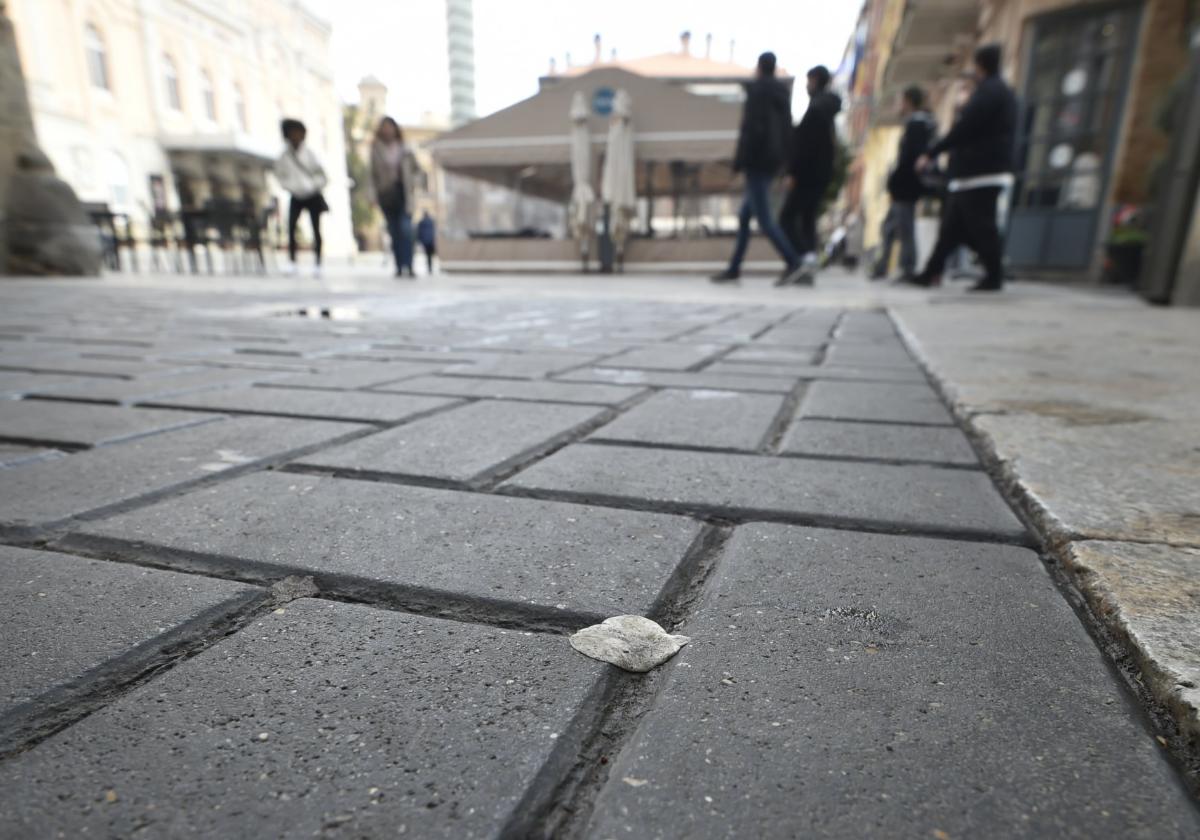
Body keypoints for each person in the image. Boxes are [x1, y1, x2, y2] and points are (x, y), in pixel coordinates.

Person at [912, 44, 1017, 292]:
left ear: (979, 65)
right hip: (979, 172)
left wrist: (931, 152)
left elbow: (963, 129)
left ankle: (994, 276)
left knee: (982, 228)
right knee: (951, 229)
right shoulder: (1003, 92)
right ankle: (930, 272)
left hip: (980, 172)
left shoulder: (989, 92)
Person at [711, 52, 808, 287]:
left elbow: (750, 130)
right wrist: (784, 163)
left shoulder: (758, 93)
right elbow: (787, 130)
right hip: (772, 161)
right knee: (745, 216)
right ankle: (734, 268)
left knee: (764, 219)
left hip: (756, 161)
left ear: (759, 68)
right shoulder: (781, 94)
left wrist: (740, 161)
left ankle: (794, 262)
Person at [778, 65, 842, 284]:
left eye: (808, 80)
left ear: (815, 80)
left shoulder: (816, 109)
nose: (806, 85)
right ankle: (807, 261)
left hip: (807, 174)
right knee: (807, 218)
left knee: (786, 218)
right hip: (821, 173)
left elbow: (804, 146)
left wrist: (792, 172)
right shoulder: (827, 108)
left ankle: (804, 259)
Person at [872, 85, 935, 282]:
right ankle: (882, 266)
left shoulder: (916, 124)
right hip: (906, 185)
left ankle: (908, 268)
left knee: (904, 227)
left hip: (906, 186)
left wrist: (896, 182)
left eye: (902, 100)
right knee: (889, 227)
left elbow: (911, 158)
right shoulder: (923, 123)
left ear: (908, 101)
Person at [274, 118, 328, 278]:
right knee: (291, 228)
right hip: (296, 195)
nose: (295, 135)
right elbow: (280, 176)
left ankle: (318, 263)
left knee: (316, 229)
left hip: (312, 195)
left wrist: (314, 186)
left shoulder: (310, 154)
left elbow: (321, 174)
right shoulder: (284, 156)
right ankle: (292, 262)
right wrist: (290, 187)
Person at [370, 117, 421, 277]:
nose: (387, 130)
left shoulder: (405, 148)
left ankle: (409, 265)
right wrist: (372, 196)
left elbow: (417, 170)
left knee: (406, 229)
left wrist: (413, 183)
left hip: (404, 193)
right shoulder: (376, 149)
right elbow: (371, 175)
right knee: (394, 231)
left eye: (389, 127)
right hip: (386, 194)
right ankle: (399, 266)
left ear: (395, 129)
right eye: (384, 127)